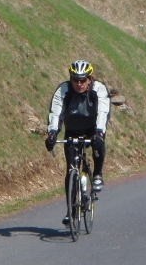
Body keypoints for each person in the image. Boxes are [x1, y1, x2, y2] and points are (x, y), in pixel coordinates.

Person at [45, 60, 110, 226]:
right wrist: (52, 133)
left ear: (90, 79)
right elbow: (56, 112)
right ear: (71, 79)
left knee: (98, 143)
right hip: (72, 130)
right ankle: (70, 210)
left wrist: (99, 132)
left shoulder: (99, 89)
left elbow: (103, 112)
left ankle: (97, 174)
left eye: (83, 80)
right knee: (71, 169)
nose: (79, 84)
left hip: (92, 128)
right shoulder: (64, 90)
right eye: (75, 80)